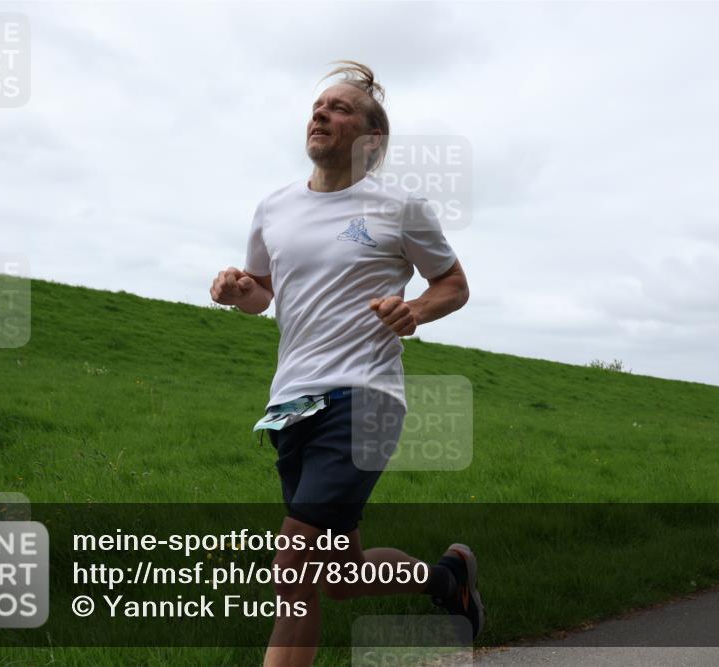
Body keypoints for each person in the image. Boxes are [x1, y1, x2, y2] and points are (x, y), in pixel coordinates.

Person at [210, 61, 483, 667]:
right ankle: (449, 582)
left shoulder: (399, 206)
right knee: (336, 575)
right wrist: (237, 290)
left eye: (340, 108)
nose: (321, 113)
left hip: (365, 399)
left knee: (292, 569)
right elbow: (262, 291)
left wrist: (414, 310)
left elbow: (454, 284)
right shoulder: (274, 208)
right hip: (289, 406)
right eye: (319, 105)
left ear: (371, 139)